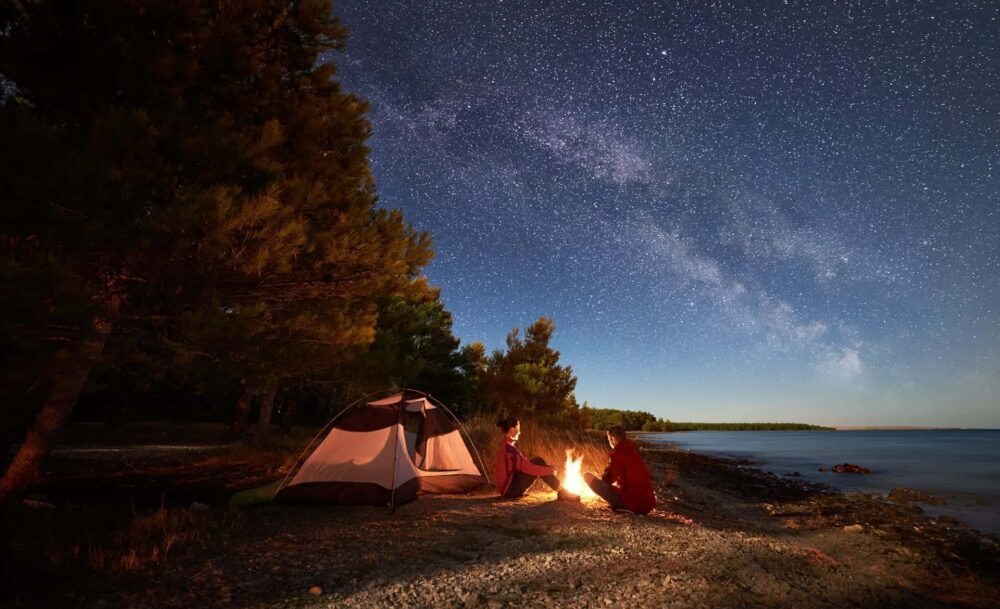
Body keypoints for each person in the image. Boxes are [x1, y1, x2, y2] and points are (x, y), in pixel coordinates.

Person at [584, 426, 657, 514]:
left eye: (609, 439)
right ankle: (626, 506)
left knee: (587, 476)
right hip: (646, 506)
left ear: (612, 438)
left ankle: (625, 507)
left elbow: (608, 479)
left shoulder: (618, 453)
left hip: (632, 505)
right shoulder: (633, 452)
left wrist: (603, 476)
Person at [495, 416, 569, 499]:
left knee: (537, 461)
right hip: (510, 491)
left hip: (508, 488)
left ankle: (561, 491)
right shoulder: (509, 449)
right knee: (538, 462)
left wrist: (548, 469)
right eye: (518, 429)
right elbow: (528, 468)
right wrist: (550, 470)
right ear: (512, 430)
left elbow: (524, 463)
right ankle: (562, 492)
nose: (520, 432)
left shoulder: (506, 445)